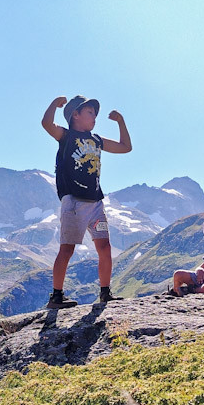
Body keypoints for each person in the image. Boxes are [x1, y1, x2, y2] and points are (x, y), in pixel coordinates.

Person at [41, 94, 132, 308]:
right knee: (67, 249)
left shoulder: (97, 140)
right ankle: (56, 297)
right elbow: (46, 124)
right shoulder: (66, 136)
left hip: (95, 203)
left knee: (105, 246)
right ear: (75, 114)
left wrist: (121, 122)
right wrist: (54, 104)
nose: (95, 117)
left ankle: (105, 292)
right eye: (90, 112)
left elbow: (125, 147)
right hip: (74, 202)